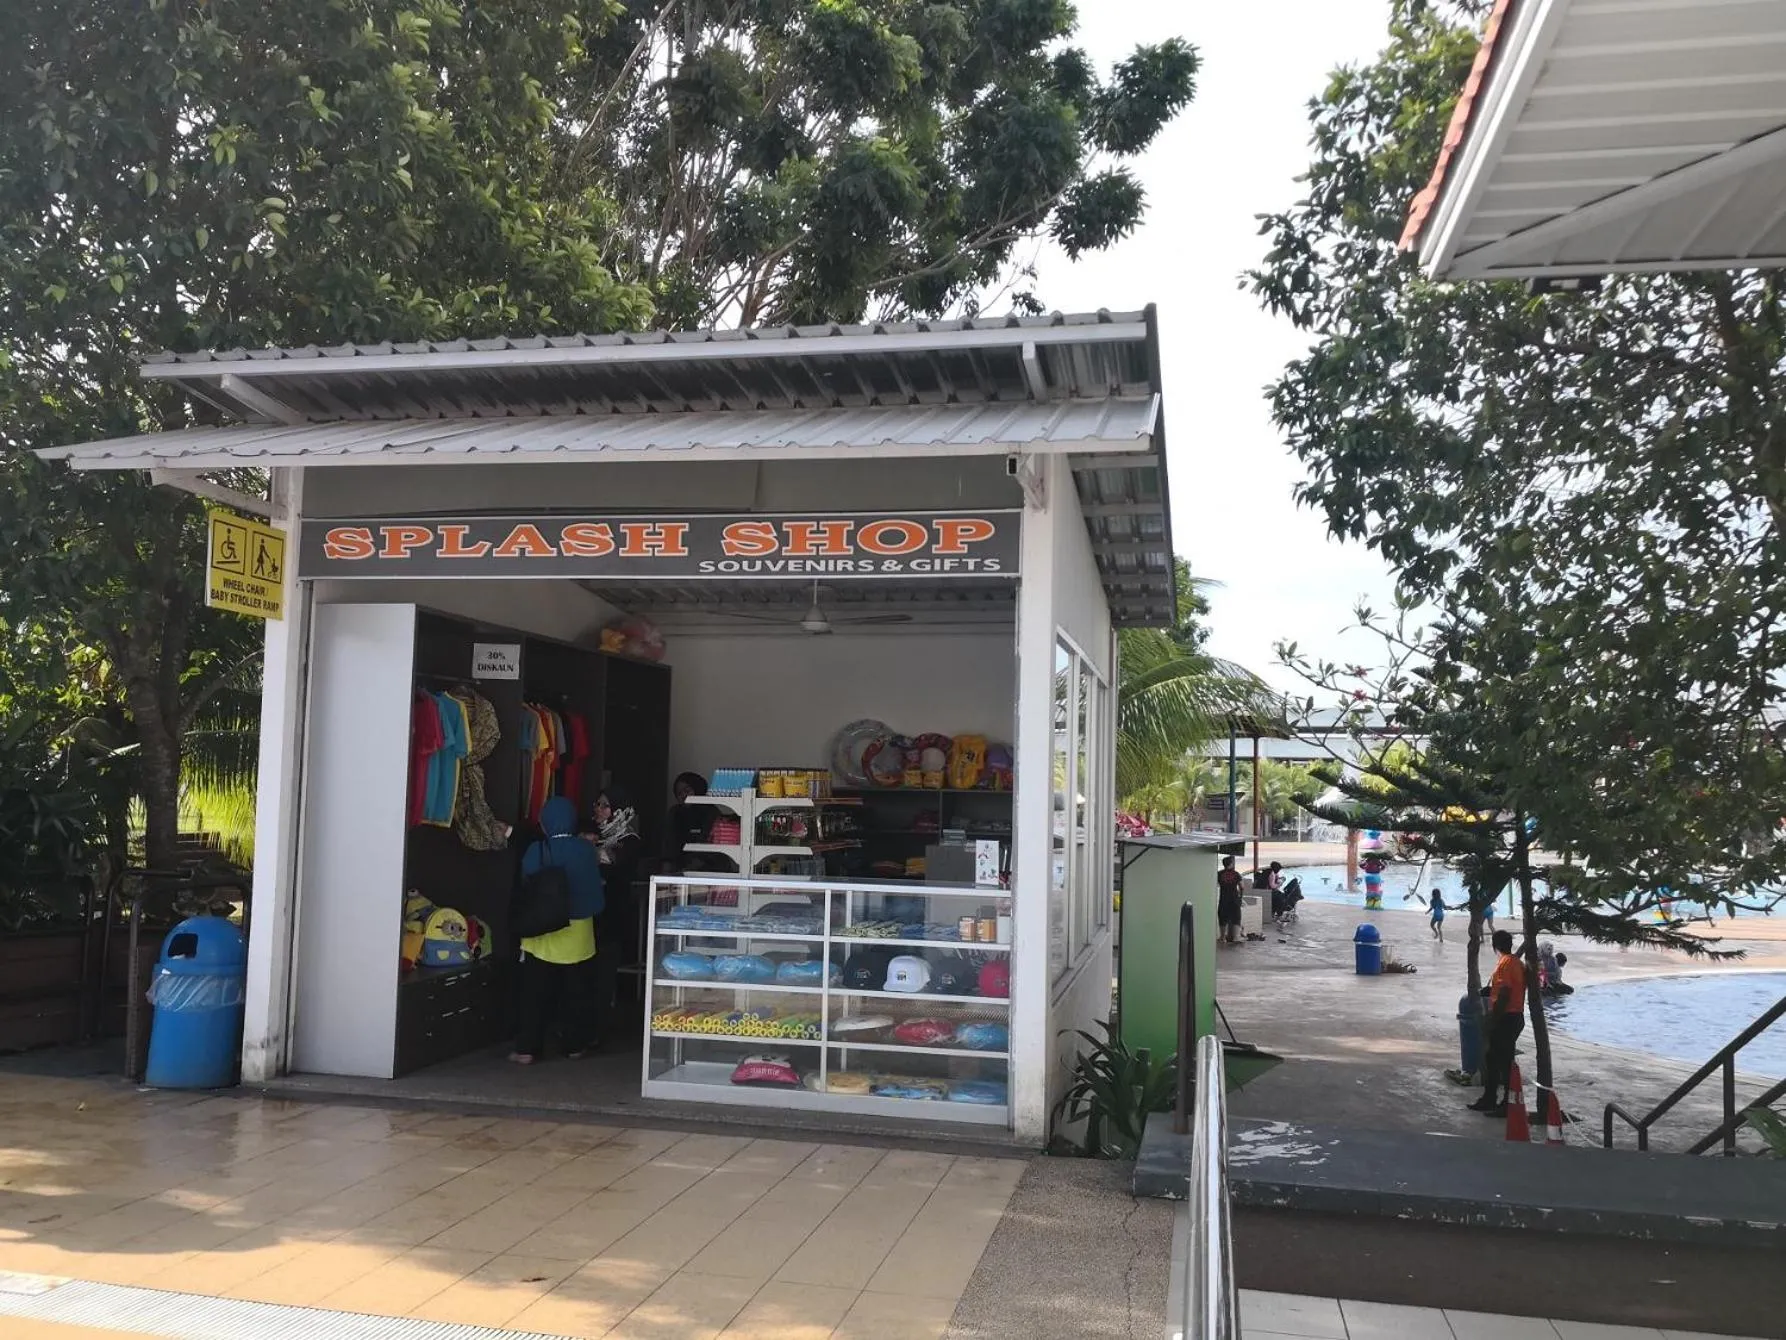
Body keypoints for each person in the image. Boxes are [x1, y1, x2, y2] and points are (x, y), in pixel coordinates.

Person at [512, 796, 604, 1065]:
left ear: (544, 823)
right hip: (578, 931)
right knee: (576, 993)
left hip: (542, 929)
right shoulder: (585, 850)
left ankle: (527, 1049)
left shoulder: (536, 850)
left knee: (533, 993)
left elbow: (525, 882)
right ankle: (574, 1046)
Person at [585, 784, 644, 1036]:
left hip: (612, 916)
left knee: (603, 973)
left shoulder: (629, 841)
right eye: (597, 804)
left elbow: (615, 865)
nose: (598, 809)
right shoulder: (591, 835)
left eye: (605, 806)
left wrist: (588, 850)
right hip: (589, 916)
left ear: (620, 811)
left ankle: (597, 1029)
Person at [1469, 929, 1527, 1116]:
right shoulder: (1517, 962)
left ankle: (1502, 1102)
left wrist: (1493, 1019)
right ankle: (1492, 1098)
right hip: (1516, 1016)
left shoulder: (1505, 964)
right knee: (1497, 1059)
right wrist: (1491, 991)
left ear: (1495, 946)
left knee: (1499, 1061)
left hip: (1506, 1017)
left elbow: (1505, 993)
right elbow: (1509, 988)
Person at [1217, 855, 1244, 945]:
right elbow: (1242, 887)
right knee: (1236, 917)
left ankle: (1222, 937)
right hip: (1234, 899)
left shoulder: (1219, 874)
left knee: (1222, 918)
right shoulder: (1236, 874)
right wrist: (1240, 897)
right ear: (1231, 864)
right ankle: (1236, 937)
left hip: (1223, 898)